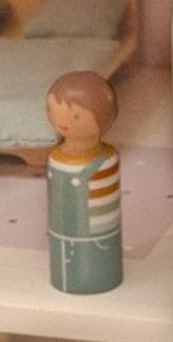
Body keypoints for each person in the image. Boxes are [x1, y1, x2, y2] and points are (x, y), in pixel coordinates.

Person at [45, 72, 124, 294]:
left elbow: (105, 212)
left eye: (76, 117)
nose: (63, 123)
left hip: (99, 238)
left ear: (104, 118)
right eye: (52, 111)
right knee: (66, 264)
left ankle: (95, 278)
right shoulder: (56, 159)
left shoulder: (106, 161)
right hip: (63, 236)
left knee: (97, 258)